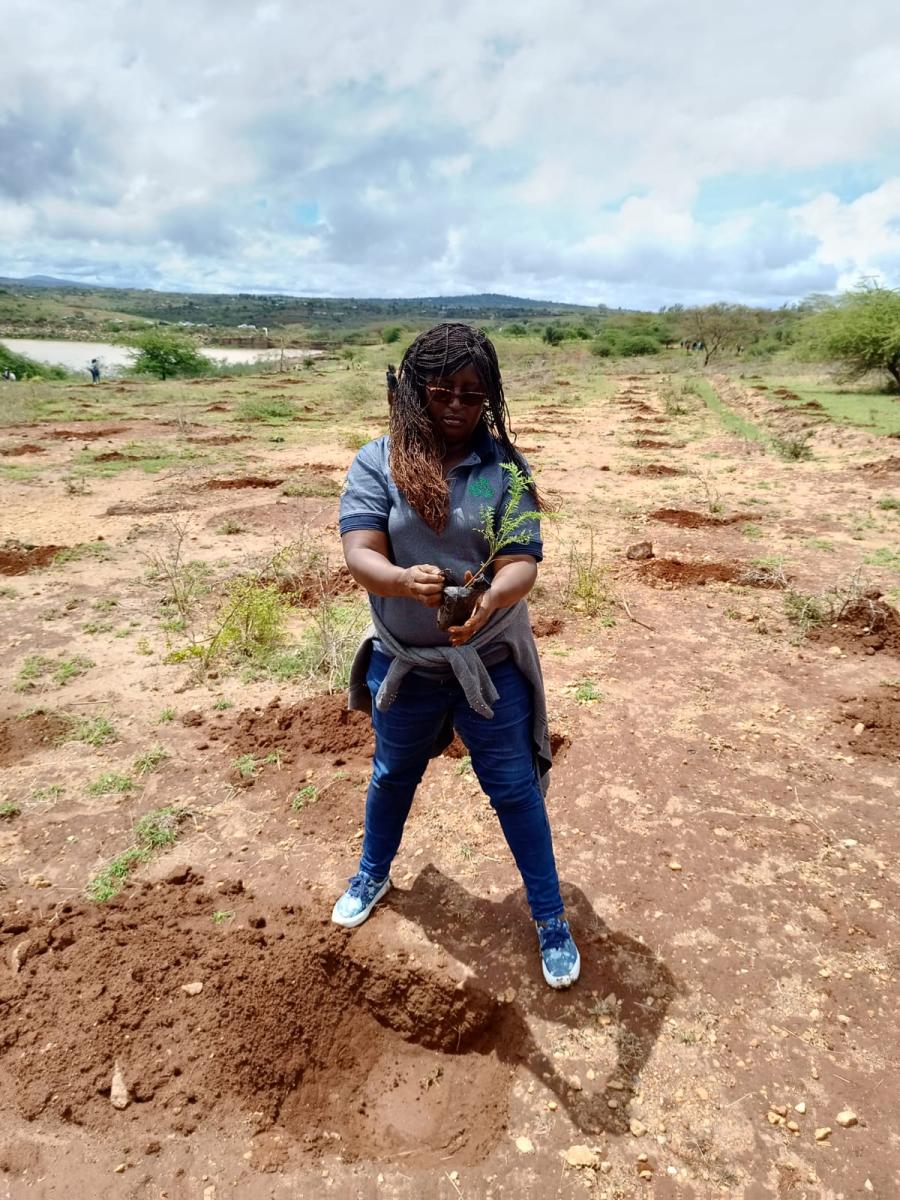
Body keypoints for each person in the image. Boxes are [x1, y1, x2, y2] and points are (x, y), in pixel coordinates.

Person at [333, 322, 579, 989]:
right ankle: (373, 872)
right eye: (441, 391)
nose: (456, 407)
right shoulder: (376, 462)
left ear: (488, 399)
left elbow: (522, 562)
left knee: (514, 790)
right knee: (391, 776)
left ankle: (550, 916)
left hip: (488, 667)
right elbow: (360, 551)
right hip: (407, 663)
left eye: (472, 395)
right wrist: (395, 580)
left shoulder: (502, 471)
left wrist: (491, 599)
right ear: (413, 391)